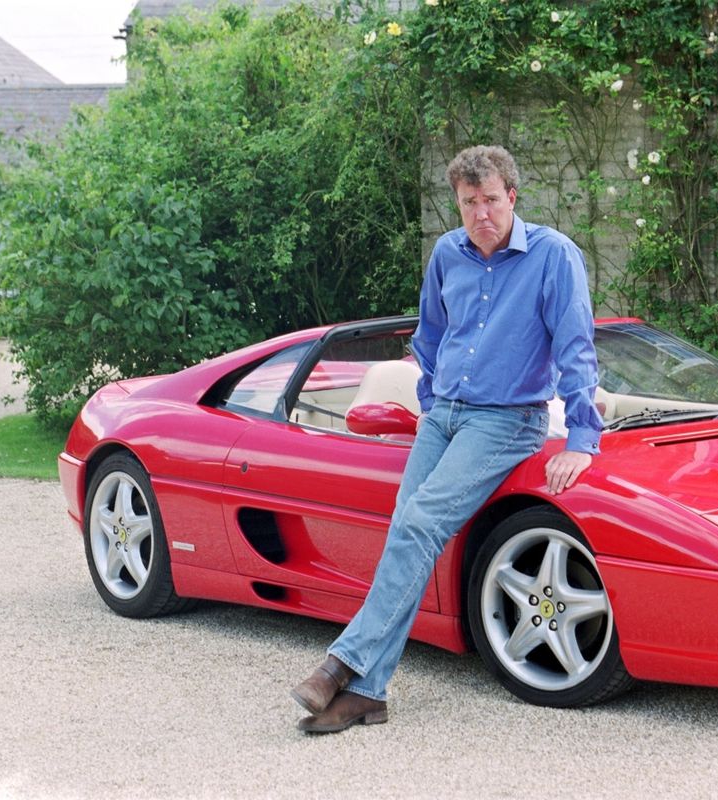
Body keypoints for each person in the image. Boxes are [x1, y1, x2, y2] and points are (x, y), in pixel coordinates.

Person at [290, 145, 603, 733]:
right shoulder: (447, 253)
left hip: (507, 420)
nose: (481, 213)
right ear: (457, 203)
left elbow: (575, 348)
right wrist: (433, 401)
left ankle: (342, 664)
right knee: (406, 536)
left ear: (512, 197)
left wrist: (582, 436)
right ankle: (370, 695)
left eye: (490, 200)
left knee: (417, 524)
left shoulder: (553, 256)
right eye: (468, 202)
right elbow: (430, 334)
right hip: (444, 417)